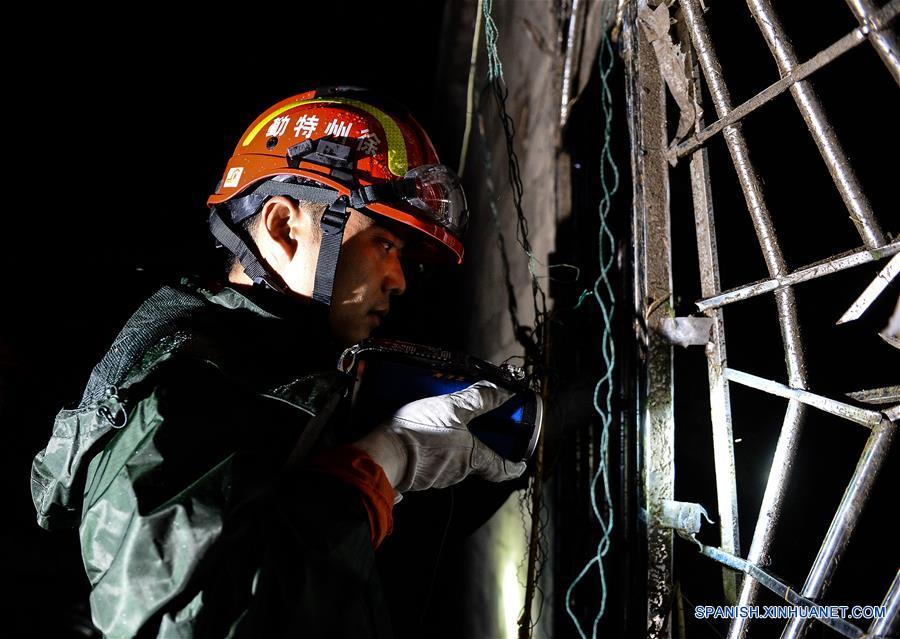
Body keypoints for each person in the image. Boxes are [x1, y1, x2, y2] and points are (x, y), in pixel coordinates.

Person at [31, 87, 527, 638]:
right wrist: (381, 464)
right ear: (284, 227)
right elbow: (192, 624)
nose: (400, 279)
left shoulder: (274, 377)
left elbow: (331, 575)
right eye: (383, 243)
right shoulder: (172, 399)